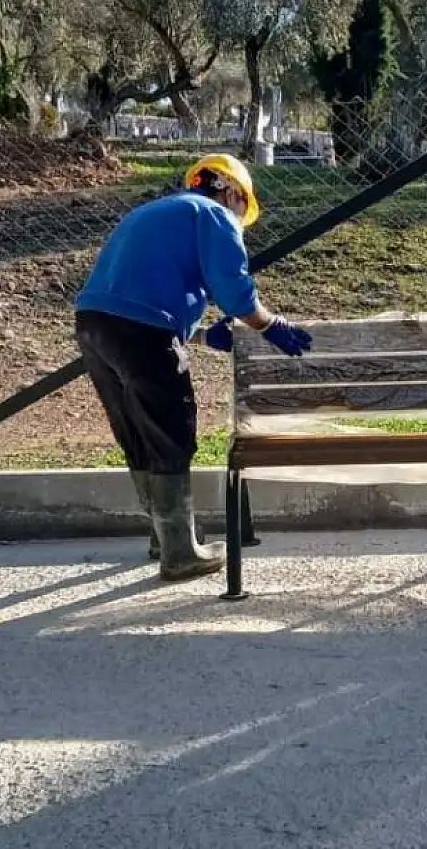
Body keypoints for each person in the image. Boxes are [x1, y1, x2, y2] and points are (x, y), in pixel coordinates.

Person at [74, 153, 313, 581]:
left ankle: (162, 537)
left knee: (137, 429)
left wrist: (201, 335)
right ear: (232, 192)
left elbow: (141, 295)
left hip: (93, 325)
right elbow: (233, 289)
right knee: (170, 430)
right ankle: (181, 553)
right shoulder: (214, 214)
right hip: (141, 330)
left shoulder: (155, 212)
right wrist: (269, 325)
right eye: (244, 208)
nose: (242, 219)